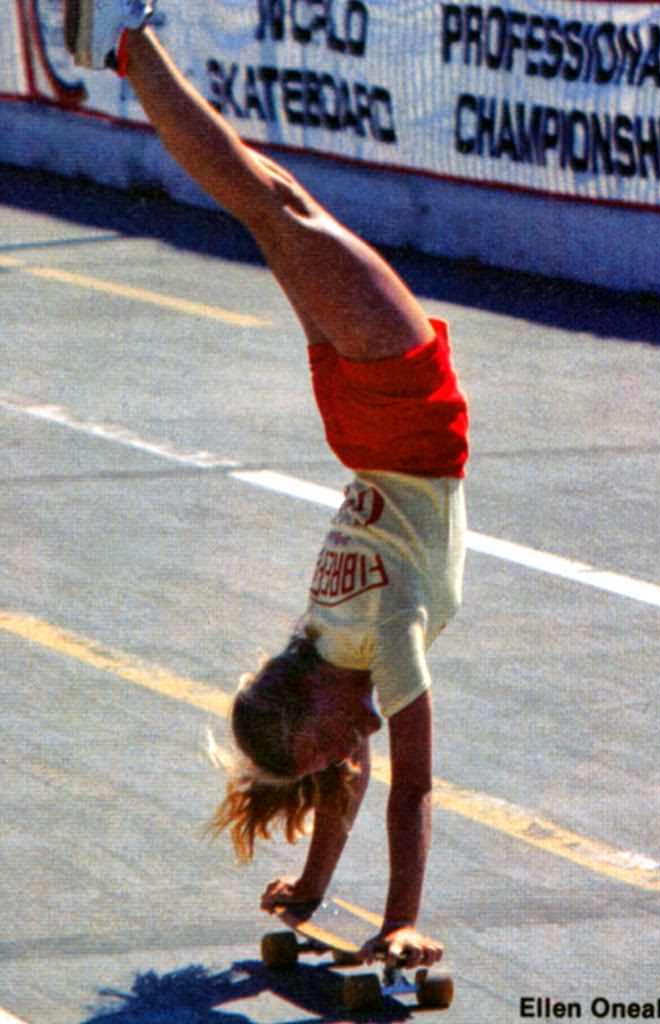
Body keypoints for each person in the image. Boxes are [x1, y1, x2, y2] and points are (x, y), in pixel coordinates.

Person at [65, 0, 469, 969]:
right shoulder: (330, 645)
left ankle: (126, 42)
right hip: (365, 425)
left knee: (267, 203)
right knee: (268, 199)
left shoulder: (385, 632)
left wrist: (396, 920)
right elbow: (349, 770)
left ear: (310, 700)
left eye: (325, 741)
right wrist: (316, 894)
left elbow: (406, 782)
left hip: (403, 406)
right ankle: (123, 46)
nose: (343, 756)